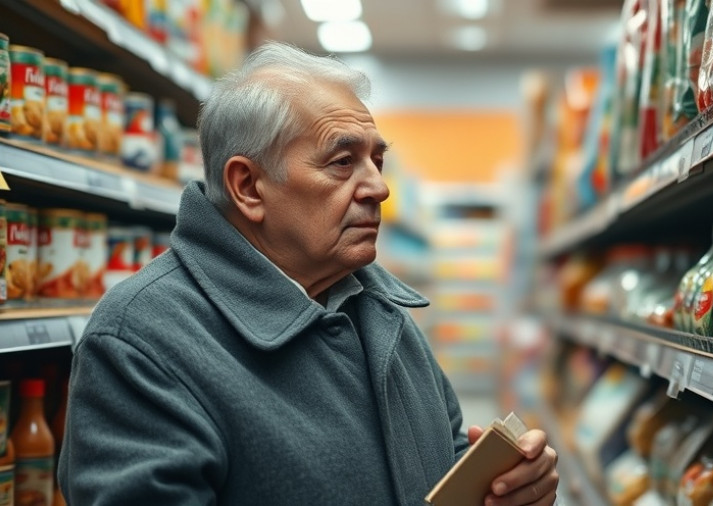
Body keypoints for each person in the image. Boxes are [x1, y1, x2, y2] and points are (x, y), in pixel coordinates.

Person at [58, 41, 559, 506]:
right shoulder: (140, 342)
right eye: (343, 162)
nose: (379, 188)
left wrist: (500, 487)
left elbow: (439, 464)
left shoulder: (385, 316)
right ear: (249, 187)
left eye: (377, 160)